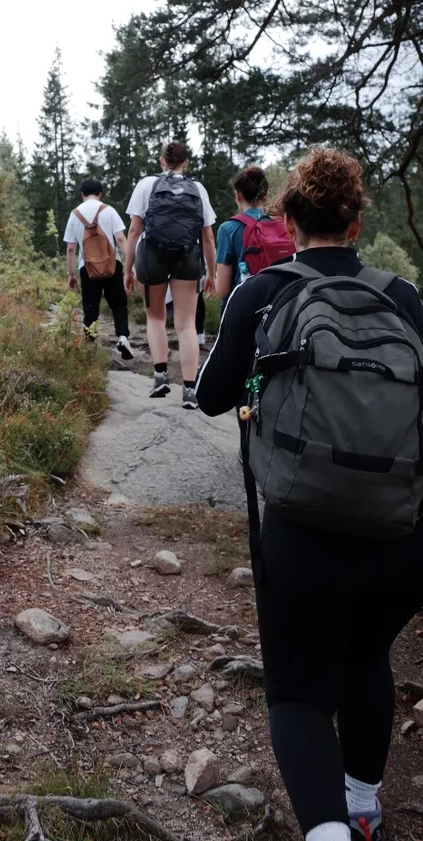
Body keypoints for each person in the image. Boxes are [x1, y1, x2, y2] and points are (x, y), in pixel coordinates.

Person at [197, 148, 423, 841]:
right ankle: (361, 808)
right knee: (366, 658)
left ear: (290, 221)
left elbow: (210, 396)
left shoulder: (262, 294)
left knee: (296, 693)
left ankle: (327, 830)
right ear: (355, 225)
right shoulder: (405, 297)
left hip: (301, 530)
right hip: (400, 536)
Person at [124, 141, 216, 405]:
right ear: (186, 163)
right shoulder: (197, 189)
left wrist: (128, 269)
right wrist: (210, 273)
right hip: (187, 256)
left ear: (161, 161)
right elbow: (207, 236)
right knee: (186, 323)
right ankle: (189, 390)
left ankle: (161, 377)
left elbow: (134, 231)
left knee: (155, 318)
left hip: (152, 256)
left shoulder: (146, 185)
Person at [64, 177, 133, 359]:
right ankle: (123, 337)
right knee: (119, 305)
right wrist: (129, 266)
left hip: (87, 269)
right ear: (101, 194)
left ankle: (90, 347)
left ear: (82, 195)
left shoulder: (75, 214)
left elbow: (71, 248)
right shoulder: (108, 210)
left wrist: (70, 274)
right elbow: (120, 239)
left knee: (90, 308)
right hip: (112, 266)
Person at [216, 165, 294, 304]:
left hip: (241, 310)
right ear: (266, 195)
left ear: (238, 195)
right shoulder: (283, 225)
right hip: (278, 309)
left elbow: (222, 290)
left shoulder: (228, 229)